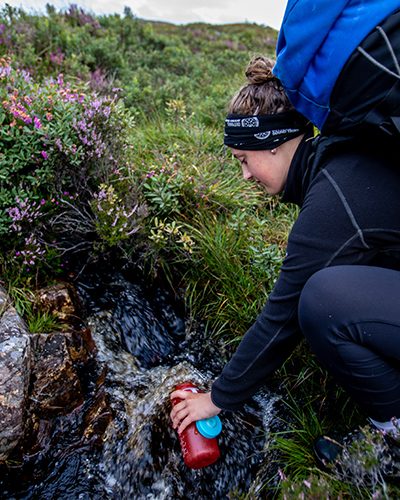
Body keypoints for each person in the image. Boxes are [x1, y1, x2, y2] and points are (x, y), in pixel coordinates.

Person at [170, 55, 400, 445]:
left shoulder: (335, 196)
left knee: (322, 300)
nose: (243, 175)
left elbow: (282, 316)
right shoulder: (341, 160)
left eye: (244, 159)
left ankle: (394, 432)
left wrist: (219, 398)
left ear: (274, 144)